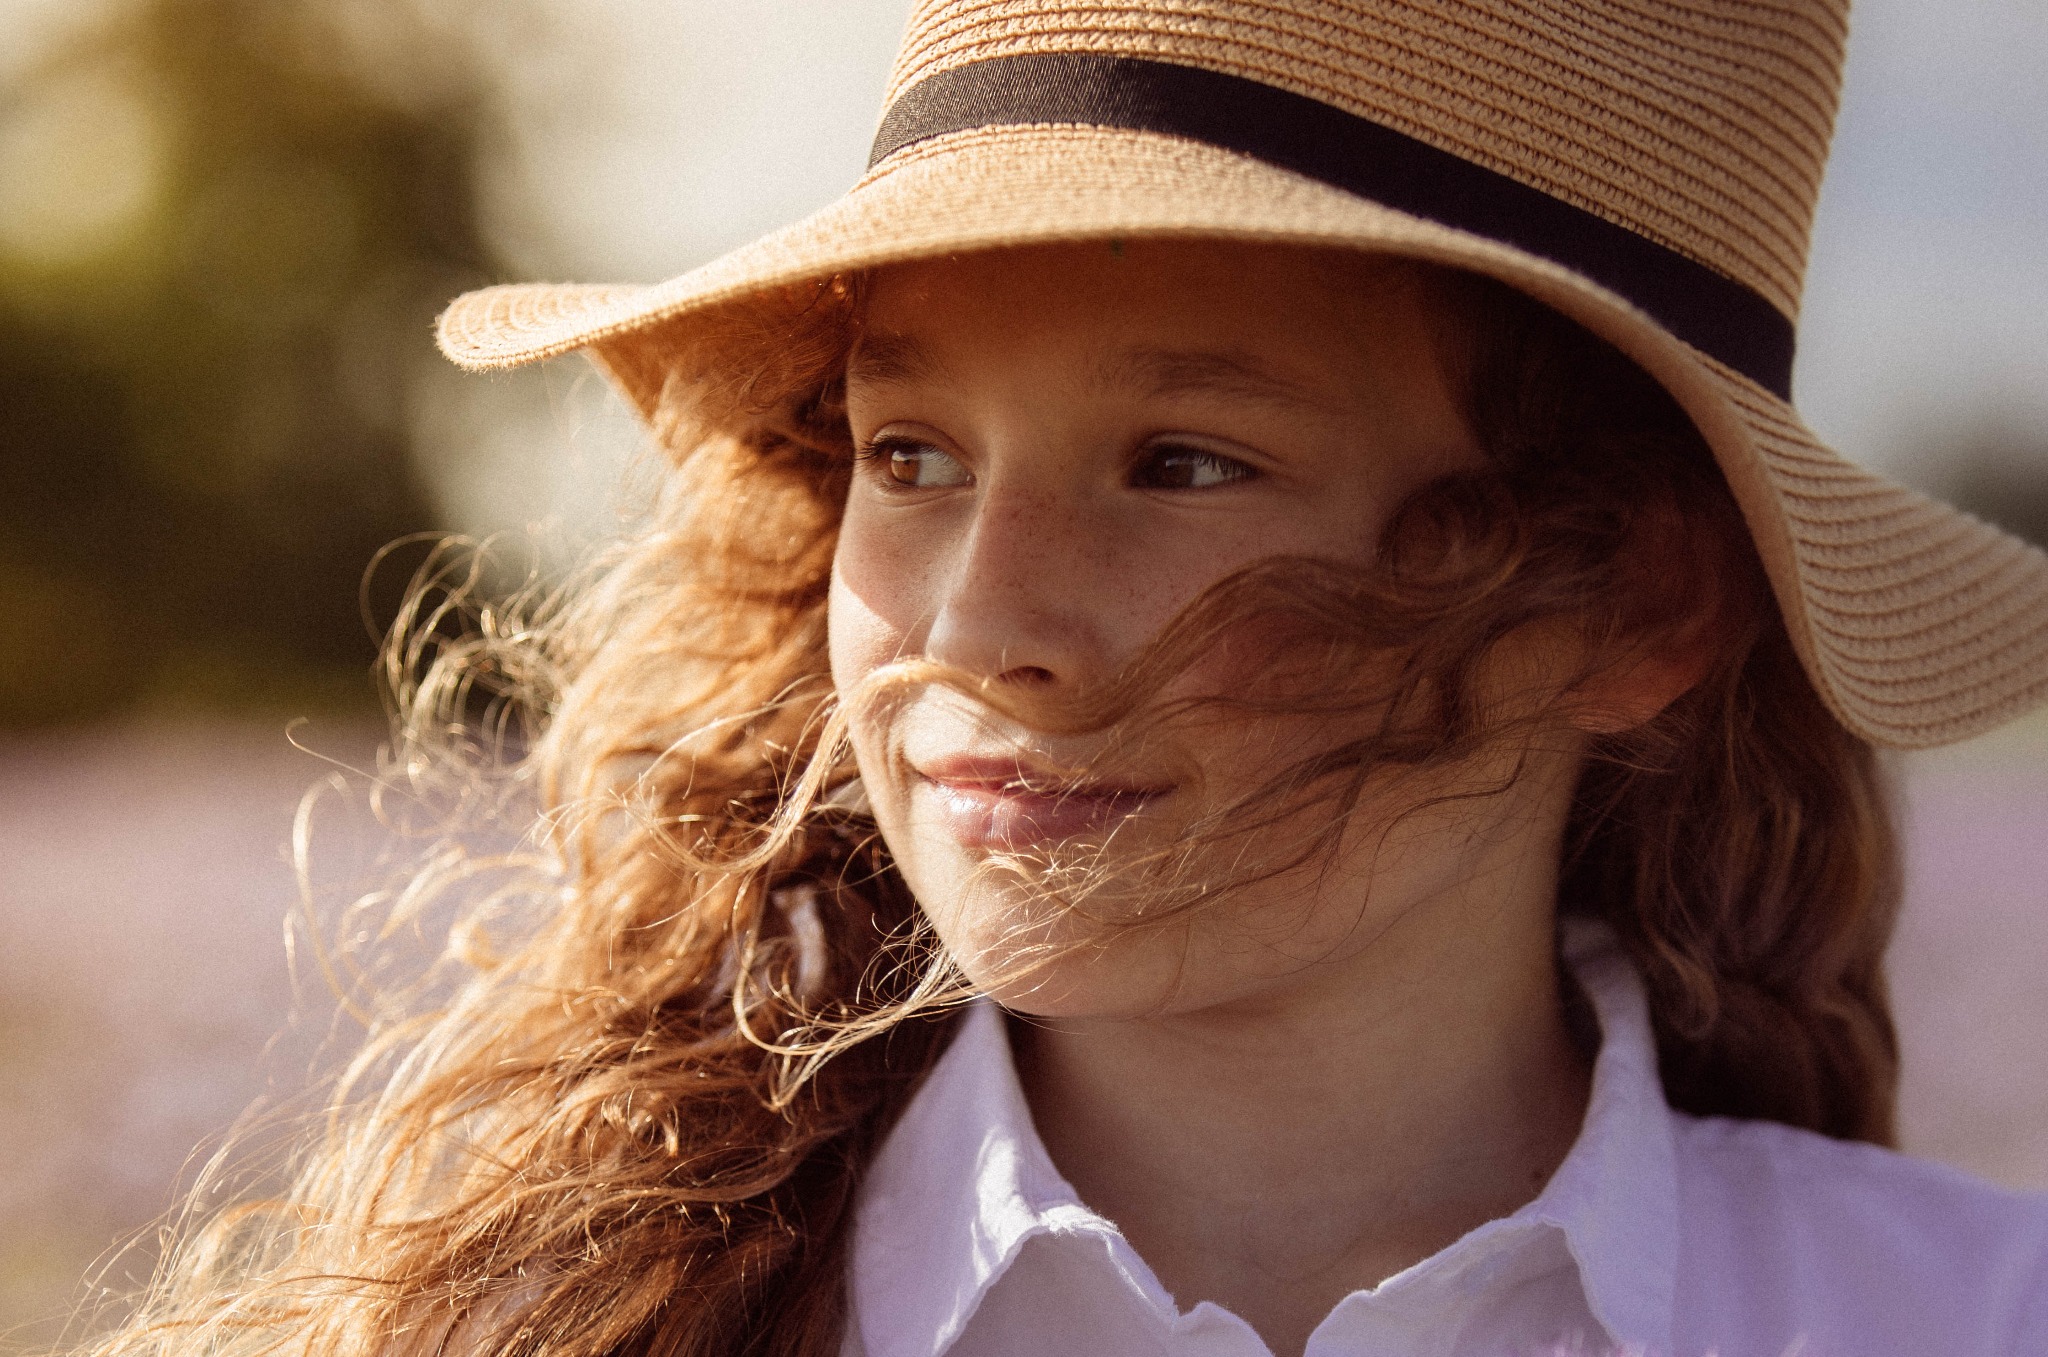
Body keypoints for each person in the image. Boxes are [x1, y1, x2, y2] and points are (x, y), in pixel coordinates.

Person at [88, 3, 2048, 1356]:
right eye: (909, 454)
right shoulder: (548, 1328)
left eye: (1185, 466)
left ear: (1634, 604)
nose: (982, 616)